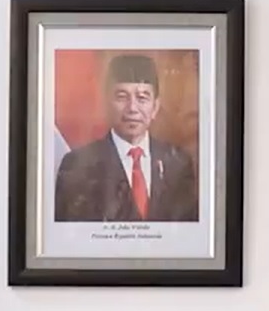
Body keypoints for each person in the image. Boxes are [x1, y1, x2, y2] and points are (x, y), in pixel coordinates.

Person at [54, 52, 199, 222]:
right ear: (107, 103)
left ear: (155, 107)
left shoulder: (178, 163)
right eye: (122, 97)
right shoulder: (77, 165)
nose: (132, 108)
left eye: (142, 98)